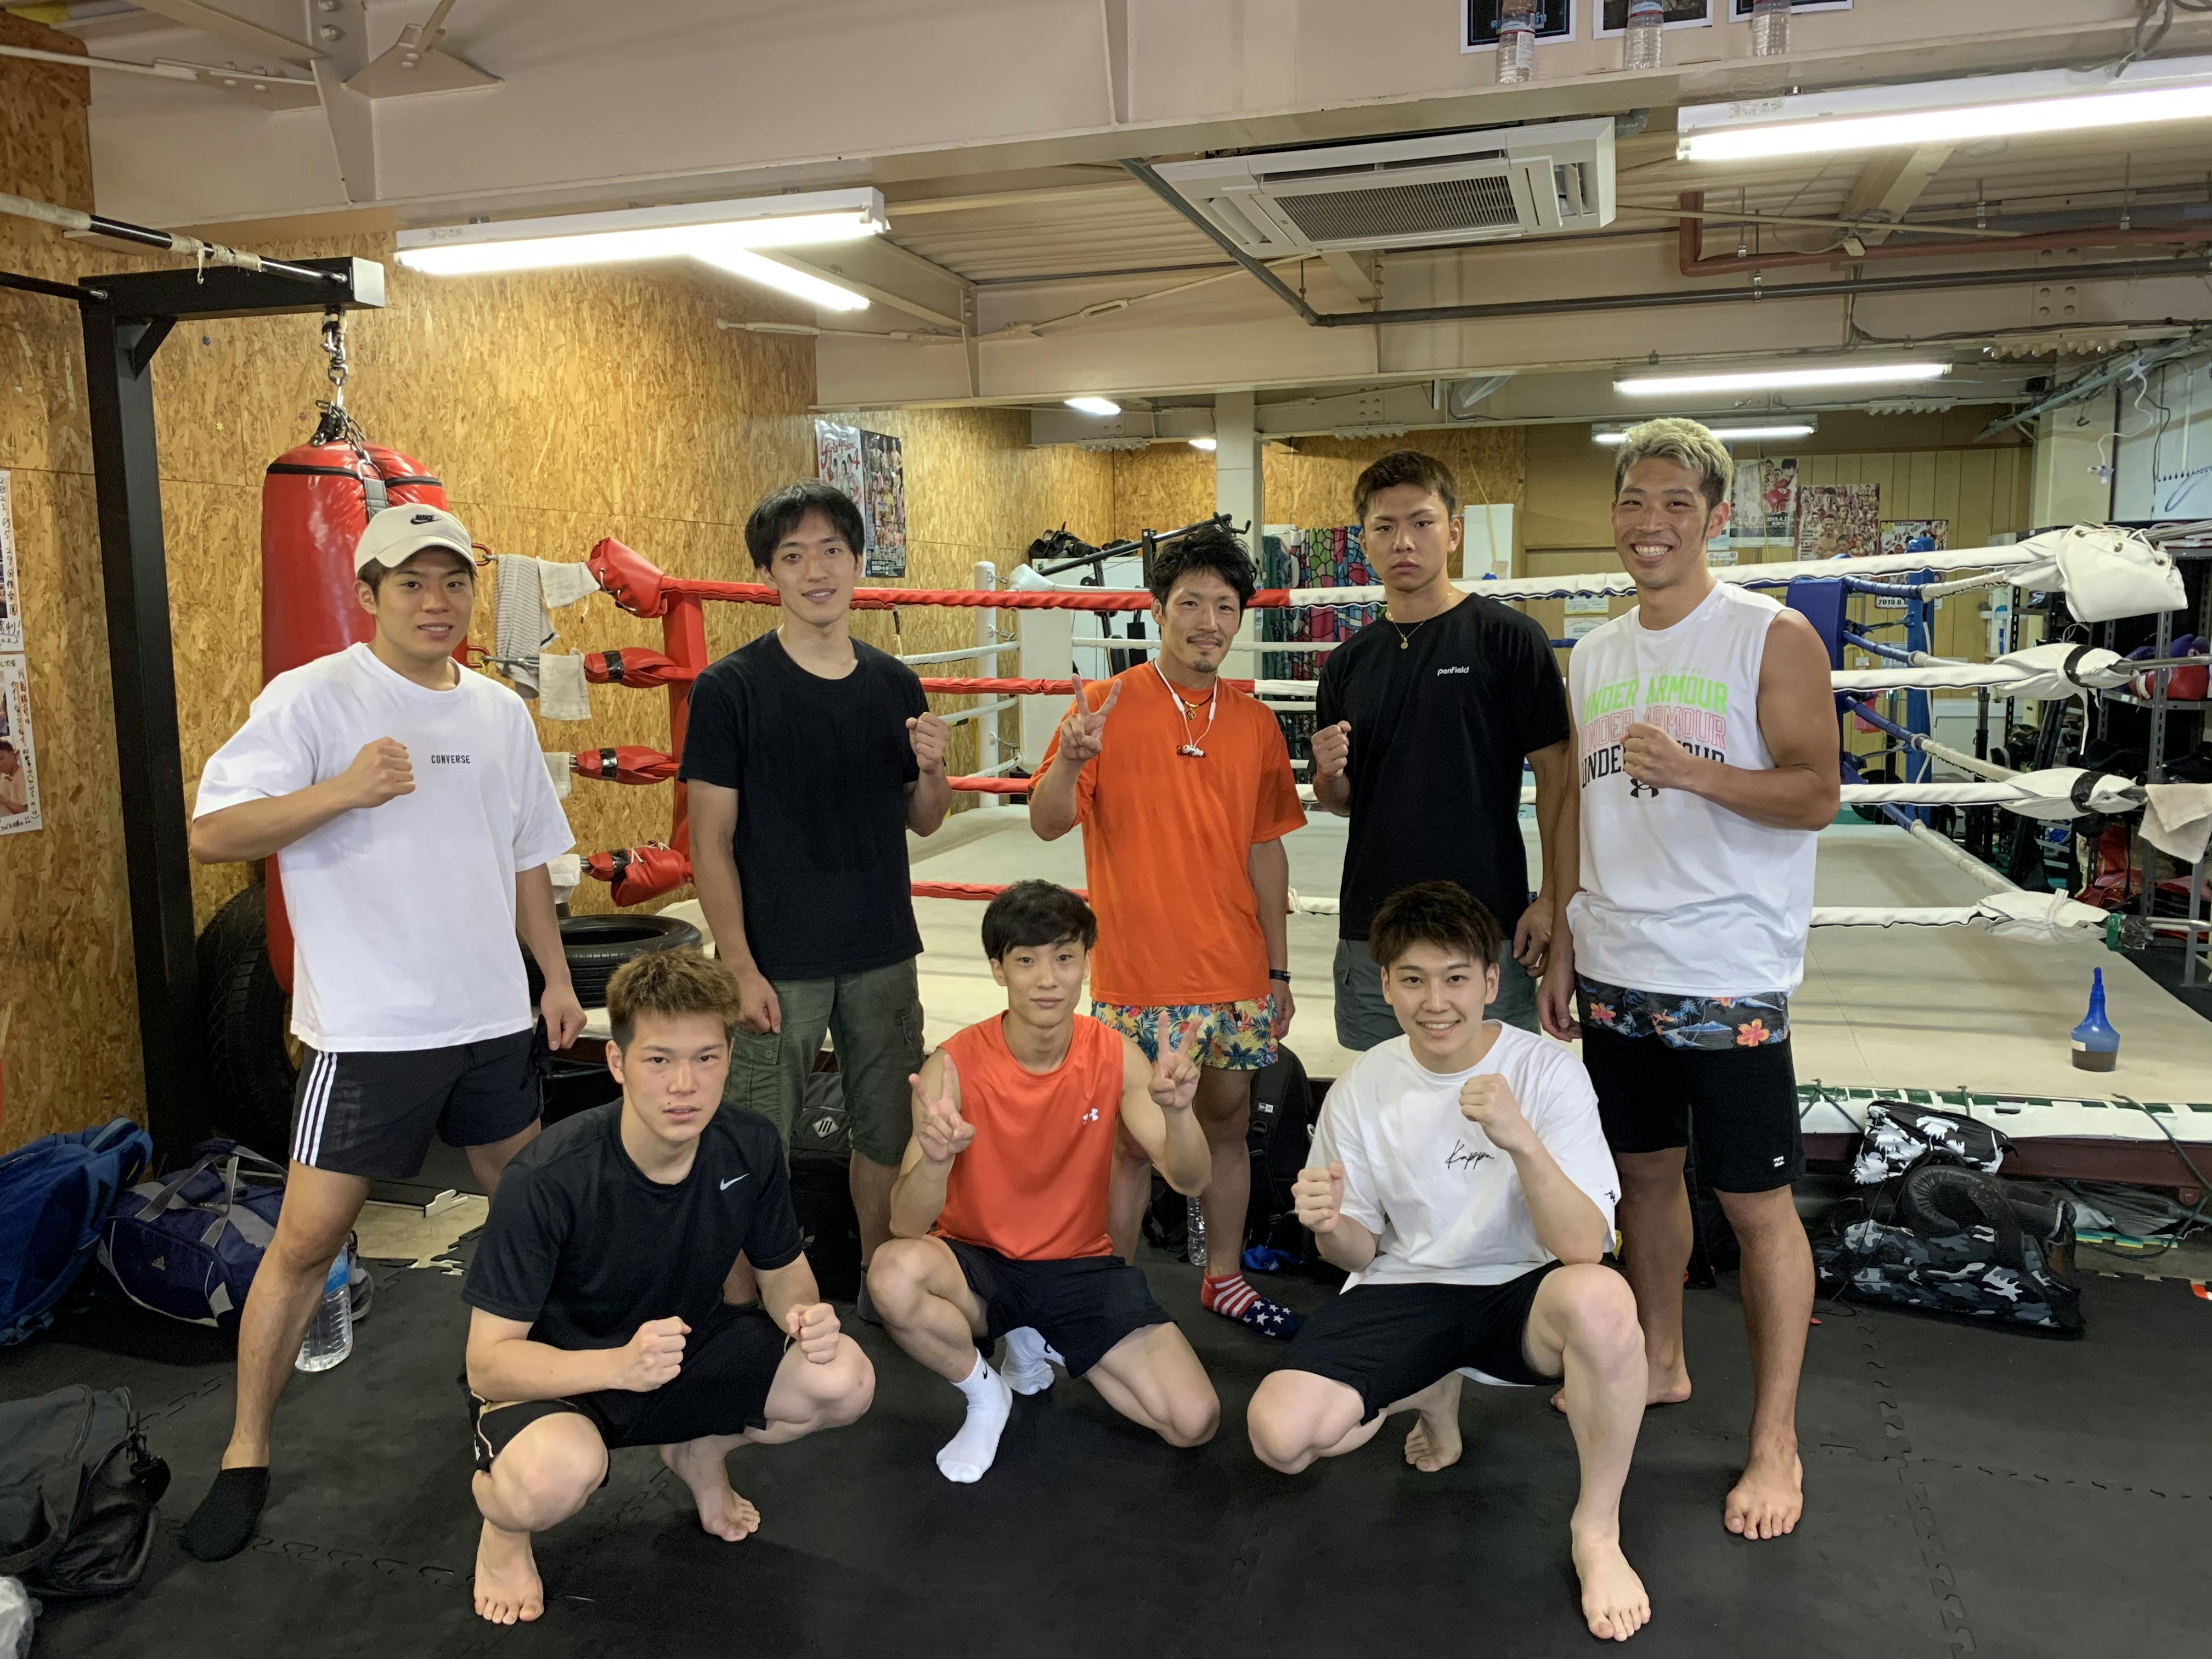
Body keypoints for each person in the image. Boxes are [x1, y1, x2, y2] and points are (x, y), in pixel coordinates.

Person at [180, 505, 585, 1562]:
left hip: (490, 1017)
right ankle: (245, 1450)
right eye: (411, 582)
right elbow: (212, 830)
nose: (436, 602)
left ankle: (531, 1382)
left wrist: (552, 976)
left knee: (531, 1205)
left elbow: (528, 855)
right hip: (368, 1030)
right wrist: (343, 790)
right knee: (307, 1240)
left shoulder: (498, 711)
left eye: (453, 582)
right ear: (367, 593)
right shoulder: (312, 697)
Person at [1538, 417, 1838, 1543]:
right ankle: (1660, 1358)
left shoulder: (1770, 636)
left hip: (1728, 971)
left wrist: (1700, 773)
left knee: (1756, 1204)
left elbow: (1816, 793)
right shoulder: (1594, 652)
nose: (1650, 521)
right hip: (1616, 961)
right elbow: (1577, 806)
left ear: (1715, 517)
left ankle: (1776, 1437)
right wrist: (1563, 935)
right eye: (1632, 500)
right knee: (1644, 1176)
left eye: (1674, 501)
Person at [1246, 882, 1649, 1643]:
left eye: (1455, 978)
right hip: (1409, 1283)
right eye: (1413, 980)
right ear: (1385, 985)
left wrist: (1521, 1140)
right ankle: (1430, 1389)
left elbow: (1583, 1249)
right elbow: (1358, 1252)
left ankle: (1597, 1531)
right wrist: (1327, 1226)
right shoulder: (1362, 1087)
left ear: (1491, 982)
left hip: (1523, 1293)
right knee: (1281, 1438)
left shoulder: (1549, 1074)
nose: (1436, 1002)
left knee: (1603, 1301)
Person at [462, 949, 874, 1624]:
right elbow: (487, 1364)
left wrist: (806, 1314)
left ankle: (696, 1450)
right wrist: (618, 1368)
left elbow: (781, 1273)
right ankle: (503, 1534)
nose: (685, 1085)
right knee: (549, 1478)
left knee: (845, 1379)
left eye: (706, 1058)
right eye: (659, 1060)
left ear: (729, 1057)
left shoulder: (749, 1144)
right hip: (565, 1374)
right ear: (618, 1062)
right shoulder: (547, 1178)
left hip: (683, 1351)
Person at [680, 480, 952, 1318]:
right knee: (754, 1139)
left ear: (858, 562)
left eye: (832, 550)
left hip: (881, 950)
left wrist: (935, 768)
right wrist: (738, 965)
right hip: (777, 960)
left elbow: (924, 818)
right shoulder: (730, 689)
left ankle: (878, 1284)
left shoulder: (894, 684)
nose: (816, 570)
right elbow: (709, 842)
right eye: (793, 555)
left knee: (886, 1133)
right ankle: (744, 1309)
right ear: (768, 574)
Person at [1029, 525, 1306, 1339]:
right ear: (1158, 611)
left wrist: (1280, 971)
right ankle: (1111, 1295)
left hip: (1235, 973)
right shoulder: (1104, 707)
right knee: (1128, 1144)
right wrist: (1071, 760)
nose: (1207, 622)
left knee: (1227, 1129)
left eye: (1224, 606)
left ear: (1240, 618)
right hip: (1140, 975)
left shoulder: (1254, 723)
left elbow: (1266, 851)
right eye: (1190, 603)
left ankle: (1224, 1279)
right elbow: (1047, 823)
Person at [866, 881, 1220, 1482]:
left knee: (1194, 1422)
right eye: (1026, 961)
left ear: (1085, 963)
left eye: (1064, 957)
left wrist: (1182, 1114)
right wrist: (936, 1161)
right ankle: (986, 1395)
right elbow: (904, 1224)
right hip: (977, 1265)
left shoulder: (1116, 1055)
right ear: (998, 970)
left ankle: (1038, 1336)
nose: (1048, 979)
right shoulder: (952, 1065)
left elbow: (1191, 1180)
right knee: (892, 1276)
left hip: (1077, 1267)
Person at [1311, 450, 1574, 1044]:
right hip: (1374, 927)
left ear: (1453, 533)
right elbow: (1344, 801)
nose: (1404, 541)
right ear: (1364, 541)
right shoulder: (1348, 663)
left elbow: (1559, 778)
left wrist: (1551, 899)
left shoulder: (1508, 638)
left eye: (1422, 523)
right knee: (1385, 1088)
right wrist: (1328, 777)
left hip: (1486, 922)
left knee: (1491, 1088)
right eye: (1385, 527)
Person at [0, 738, 26, 816]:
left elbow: (28, 813)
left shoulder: (24, 776)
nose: (0, 764)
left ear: (12, 754)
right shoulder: (6, 779)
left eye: (2, 758)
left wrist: (3, 800)